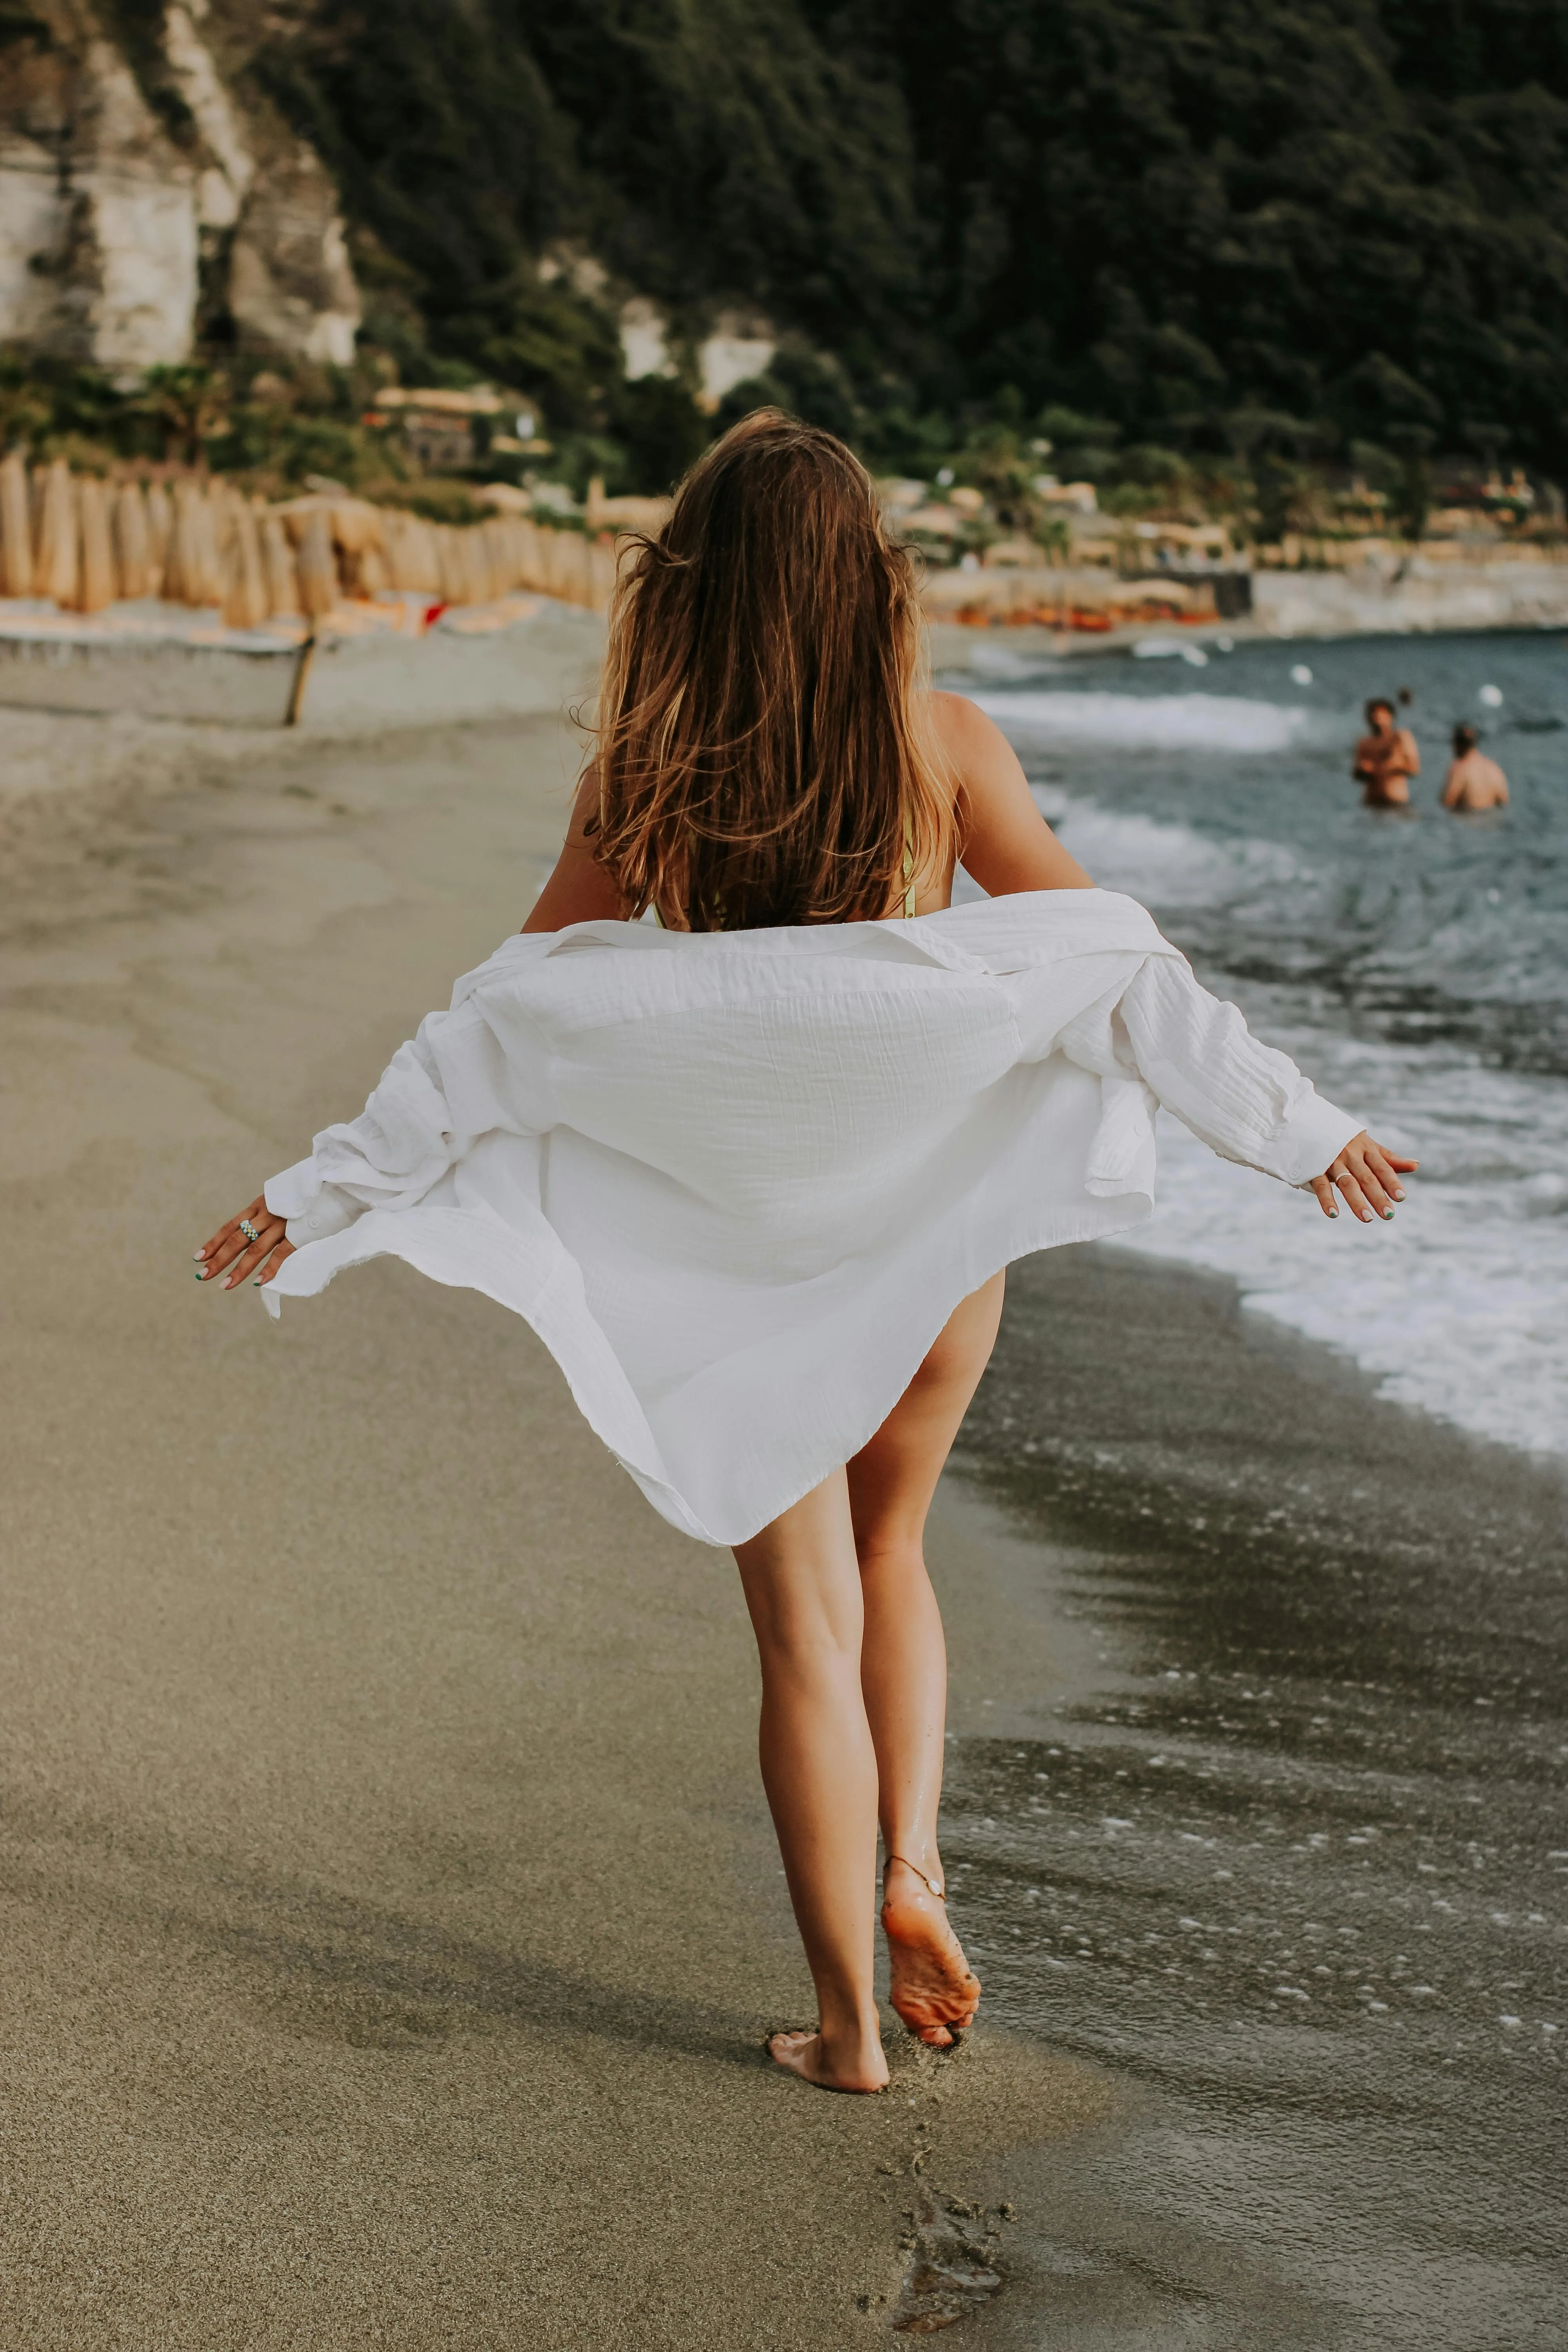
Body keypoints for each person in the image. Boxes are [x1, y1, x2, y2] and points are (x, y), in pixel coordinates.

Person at [195, 414, 1416, 2096]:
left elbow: (502, 1014)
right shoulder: (948, 746)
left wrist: (325, 1190)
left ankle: (846, 2028)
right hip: (926, 1268)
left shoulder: (648, 776)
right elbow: (1113, 962)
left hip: (745, 1276)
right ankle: (914, 1872)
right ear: (869, 582)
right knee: (895, 1551)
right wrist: (1297, 1128)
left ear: (690, 589)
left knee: (803, 1634)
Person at [1353, 697, 1420, 807]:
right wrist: (1364, 771)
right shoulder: (1365, 743)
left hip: (1396, 803)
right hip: (1371, 804)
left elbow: (1414, 768)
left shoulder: (1400, 738)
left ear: (1390, 716)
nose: (1376, 718)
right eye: (1373, 715)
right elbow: (1356, 774)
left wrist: (1386, 767)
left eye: (1379, 715)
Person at [1441, 723, 1509, 812]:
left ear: (1457, 745)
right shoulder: (1494, 769)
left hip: (1469, 820)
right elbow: (1504, 802)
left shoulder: (1460, 768)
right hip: (1492, 822)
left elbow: (1447, 803)